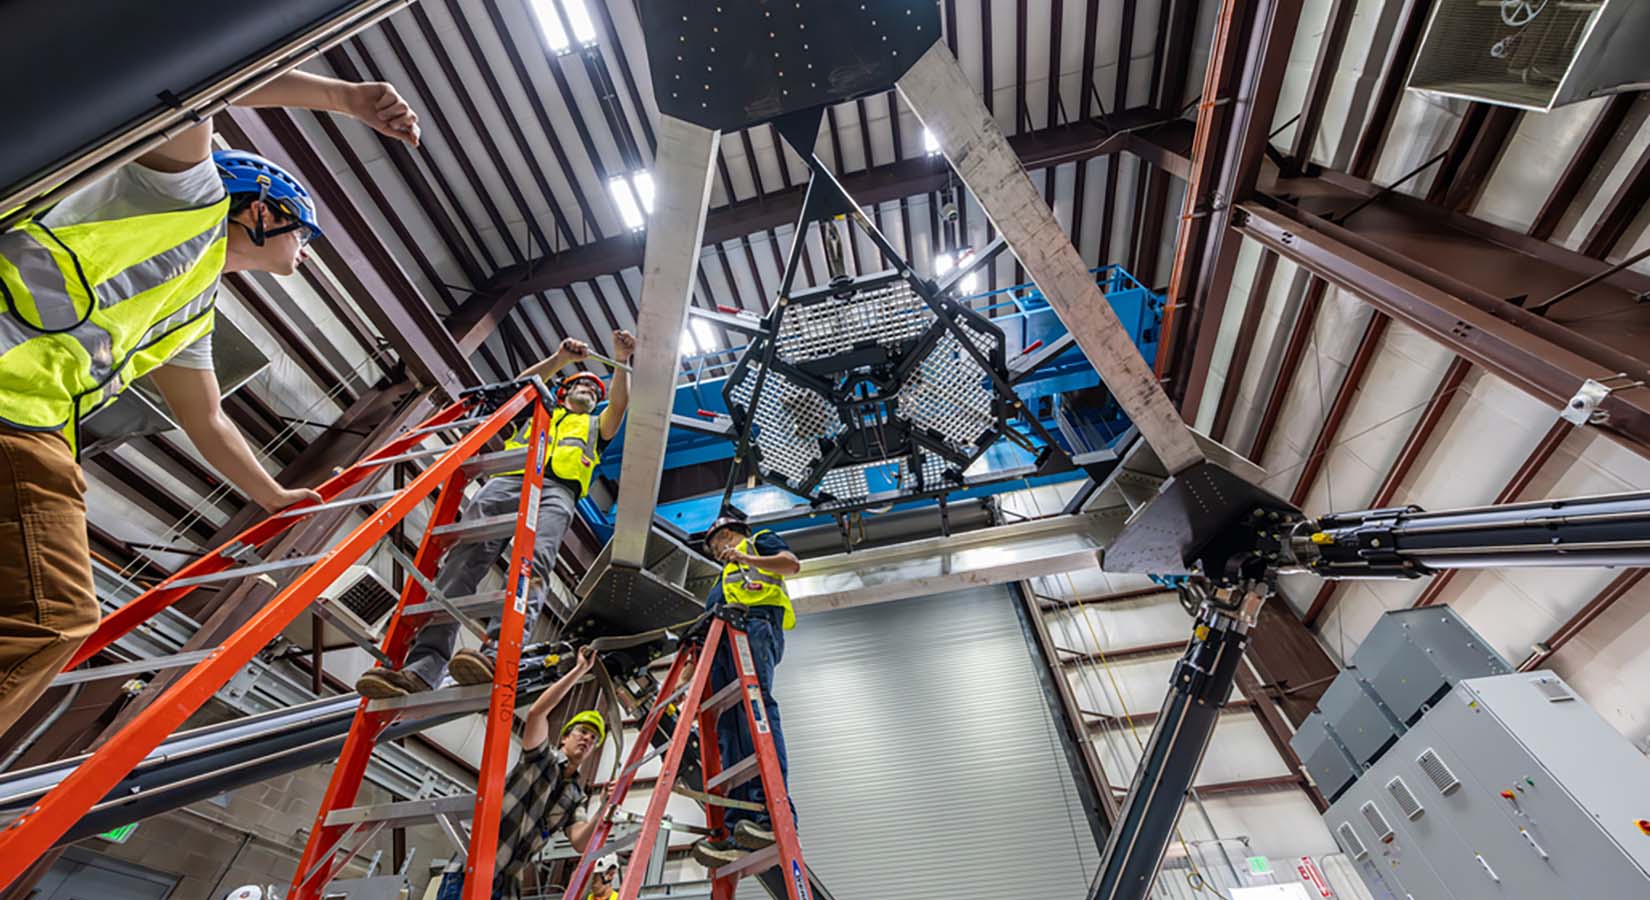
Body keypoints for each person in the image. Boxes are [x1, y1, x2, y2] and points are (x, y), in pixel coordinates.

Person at [0, 69, 422, 737]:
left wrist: (273, 497)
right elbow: (191, 82)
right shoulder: (186, 194)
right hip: (16, 414)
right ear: (263, 209)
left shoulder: (194, 309)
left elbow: (208, 419)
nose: (306, 253)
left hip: (32, 419)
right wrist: (341, 98)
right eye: (303, 235)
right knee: (54, 619)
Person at [356, 333, 635, 698]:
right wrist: (559, 359)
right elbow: (518, 386)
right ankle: (423, 666)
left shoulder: (596, 426)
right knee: (462, 561)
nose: (590, 391)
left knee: (532, 567)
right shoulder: (540, 406)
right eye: (581, 384)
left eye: (596, 391)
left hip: (557, 493)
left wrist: (621, 360)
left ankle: (497, 656)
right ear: (563, 390)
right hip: (508, 479)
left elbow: (619, 405)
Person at [690, 515, 802, 868]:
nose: (718, 551)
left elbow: (791, 564)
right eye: (714, 549)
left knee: (757, 713)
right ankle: (738, 826)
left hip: (753, 626)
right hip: (723, 641)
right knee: (729, 729)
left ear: (733, 534)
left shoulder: (759, 542)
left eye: (720, 542)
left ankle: (772, 814)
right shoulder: (721, 579)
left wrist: (746, 557)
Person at [493, 645, 607, 900]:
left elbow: (580, 842)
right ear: (565, 737)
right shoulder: (541, 758)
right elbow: (536, 713)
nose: (587, 739)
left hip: (508, 885)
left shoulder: (576, 795)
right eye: (582, 732)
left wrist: (604, 807)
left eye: (593, 739)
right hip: (477, 865)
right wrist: (579, 670)